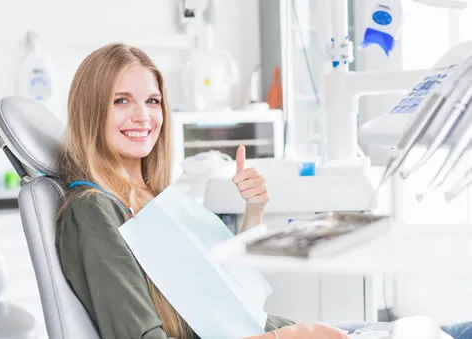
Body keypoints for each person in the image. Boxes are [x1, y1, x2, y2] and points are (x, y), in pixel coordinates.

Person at [55, 43, 472, 339]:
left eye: (152, 101)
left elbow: (214, 290)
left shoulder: (149, 196)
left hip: (269, 327)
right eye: (121, 101)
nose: (143, 116)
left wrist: (253, 211)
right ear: (91, 109)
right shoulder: (92, 211)